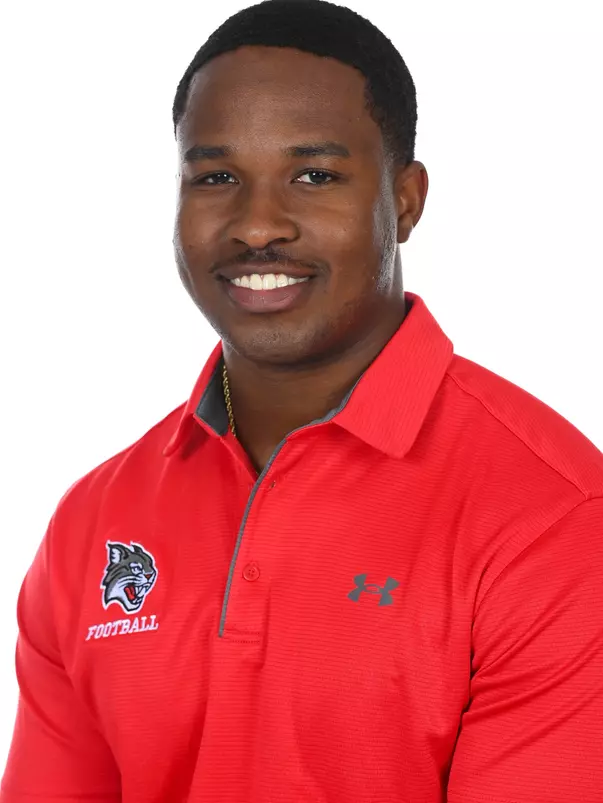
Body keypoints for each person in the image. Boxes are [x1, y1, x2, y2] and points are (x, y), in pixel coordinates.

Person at [2, 0, 602, 800]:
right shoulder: (91, 524)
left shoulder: (553, 518)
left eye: (313, 176)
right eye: (216, 177)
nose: (256, 226)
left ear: (407, 201)